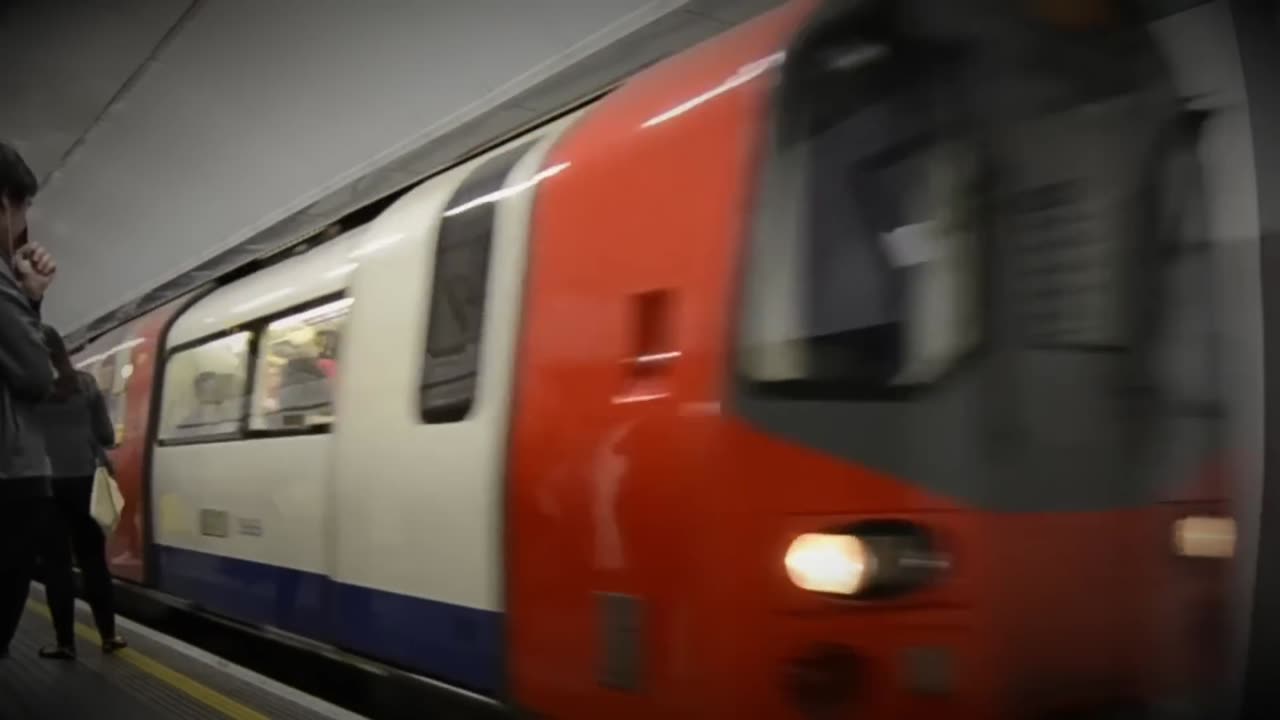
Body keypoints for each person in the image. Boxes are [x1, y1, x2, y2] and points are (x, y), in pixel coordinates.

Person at [34, 326, 126, 658]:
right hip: (85, 483)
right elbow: (105, 435)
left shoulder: (24, 390)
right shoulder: (85, 383)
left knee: (57, 566)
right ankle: (109, 636)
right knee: (93, 562)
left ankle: (65, 644)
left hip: (45, 485)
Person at [0, 141, 58, 657]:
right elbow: (36, 375)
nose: (20, 231)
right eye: (20, 213)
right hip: (9, 480)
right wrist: (31, 296)